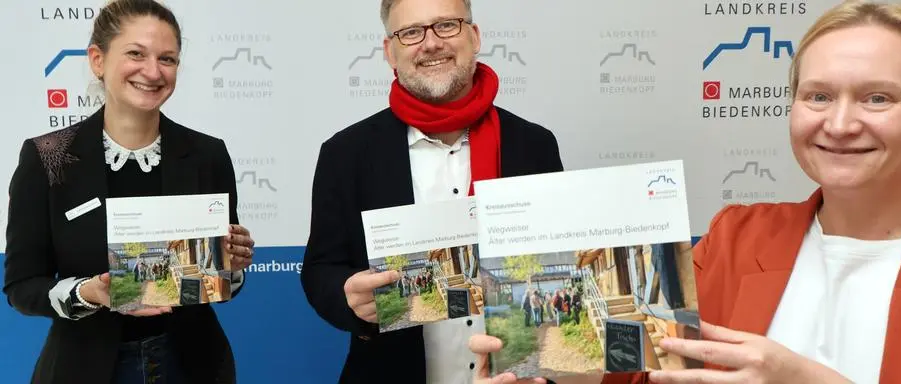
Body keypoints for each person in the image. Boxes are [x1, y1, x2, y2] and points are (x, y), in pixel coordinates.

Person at [472, 1, 901, 383]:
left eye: (877, 98)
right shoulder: (736, 237)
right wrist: (556, 369)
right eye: (819, 96)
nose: (840, 123)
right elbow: (650, 371)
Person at [299, 0, 564, 381]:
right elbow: (320, 269)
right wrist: (348, 296)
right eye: (411, 32)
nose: (430, 43)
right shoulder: (347, 153)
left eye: (446, 26)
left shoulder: (533, 144)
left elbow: (557, 263)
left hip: (515, 376)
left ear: (474, 37)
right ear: (390, 51)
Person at [2, 1, 256, 383]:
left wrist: (232, 267)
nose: (152, 71)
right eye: (136, 53)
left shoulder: (208, 154)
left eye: (167, 59)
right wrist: (89, 293)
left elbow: (218, 282)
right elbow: (21, 287)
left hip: (193, 364)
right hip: (83, 366)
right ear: (98, 60)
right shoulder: (47, 158)